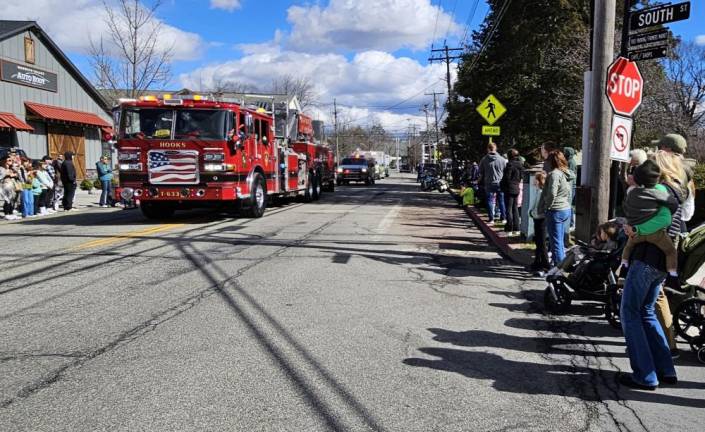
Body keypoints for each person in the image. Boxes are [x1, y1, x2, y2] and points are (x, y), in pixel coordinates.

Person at [621, 160, 679, 289]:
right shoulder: (657, 192)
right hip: (655, 234)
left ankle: (624, 264)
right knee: (670, 251)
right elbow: (673, 206)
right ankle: (673, 274)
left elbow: (625, 207)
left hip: (634, 234)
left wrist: (633, 223)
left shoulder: (631, 192)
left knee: (628, 247)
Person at [538, 150, 575, 265]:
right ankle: (561, 264)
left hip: (556, 210)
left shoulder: (554, 174)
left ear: (552, 162)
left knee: (556, 242)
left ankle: (560, 269)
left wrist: (547, 207)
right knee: (560, 241)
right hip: (565, 209)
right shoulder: (566, 173)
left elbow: (552, 193)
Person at [478, 142, 507, 225]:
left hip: (489, 183)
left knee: (490, 201)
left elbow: (481, 172)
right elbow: (505, 171)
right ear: (496, 148)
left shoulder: (484, 159)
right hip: (500, 183)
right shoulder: (502, 159)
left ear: (488, 149)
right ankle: (503, 218)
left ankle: (491, 219)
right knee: (501, 200)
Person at [530, 172, 549, 275]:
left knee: (541, 242)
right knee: (538, 241)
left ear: (539, 180)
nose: (534, 181)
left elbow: (539, 207)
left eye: (535, 179)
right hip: (537, 217)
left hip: (541, 218)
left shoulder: (542, 192)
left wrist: (533, 213)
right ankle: (537, 262)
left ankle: (546, 265)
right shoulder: (538, 191)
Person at [500, 149, 524, 235]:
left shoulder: (509, 165)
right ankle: (517, 228)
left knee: (509, 209)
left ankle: (509, 228)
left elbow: (506, 178)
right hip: (516, 188)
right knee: (515, 208)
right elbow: (521, 176)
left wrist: (501, 185)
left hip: (509, 188)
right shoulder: (520, 165)